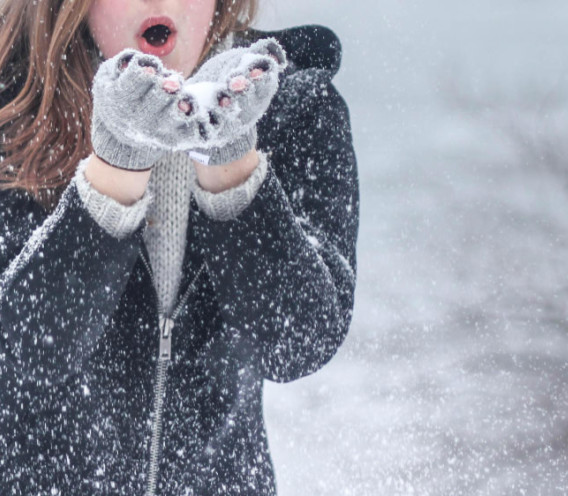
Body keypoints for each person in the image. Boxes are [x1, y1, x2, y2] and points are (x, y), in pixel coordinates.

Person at [0, 0, 359, 494]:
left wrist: (232, 166)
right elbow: (21, 355)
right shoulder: (11, 113)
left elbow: (297, 343)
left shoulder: (294, 108)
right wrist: (116, 169)